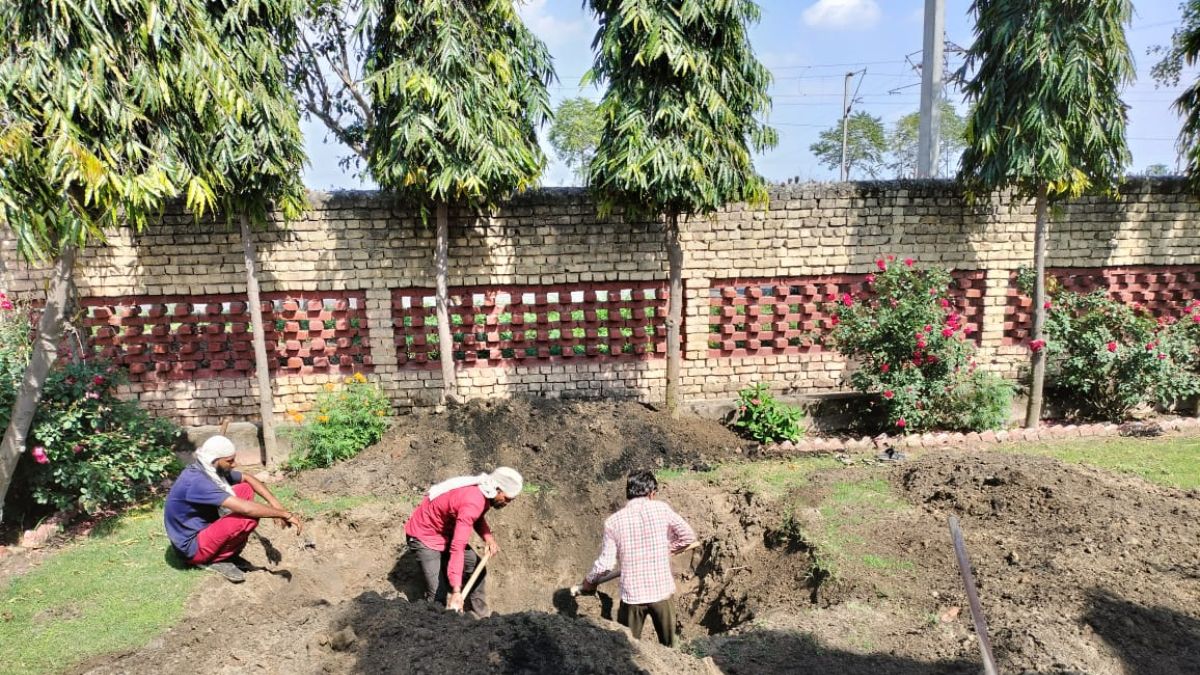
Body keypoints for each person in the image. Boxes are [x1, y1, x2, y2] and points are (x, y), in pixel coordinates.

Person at [579, 469, 696, 647]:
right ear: (652, 493)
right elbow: (688, 536)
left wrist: (590, 580)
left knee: (628, 648)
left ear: (629, 493)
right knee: (671, 648)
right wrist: (667, 548)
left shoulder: (613, 522)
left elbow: (606, 563)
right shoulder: (661, 509)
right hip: (661, 593)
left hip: (633, 597)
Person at [163, 435, 302, 582]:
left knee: (245, 489)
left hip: (201, 528)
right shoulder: (198, 482)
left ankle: (221, 547)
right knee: (248, 518)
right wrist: (284, 514)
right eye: (230, 461)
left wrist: (275, 503)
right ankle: (214, 559)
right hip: (192, 548)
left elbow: (247, 477)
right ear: (215, 460)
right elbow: (247, 510)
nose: (235, 464)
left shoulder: (208, 469)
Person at [403, 467, 523, 618]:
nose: (507, 502)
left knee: (475, 568)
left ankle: (479, 616)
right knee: (437, 598)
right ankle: (434, 629)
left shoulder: (485, 493)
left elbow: (477, 517)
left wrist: (488, 538)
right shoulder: (474, 500)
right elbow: (457, 548)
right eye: (507, 498)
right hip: (425, 537)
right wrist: (456, 591)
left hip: (446, 532)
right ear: (497, 489)